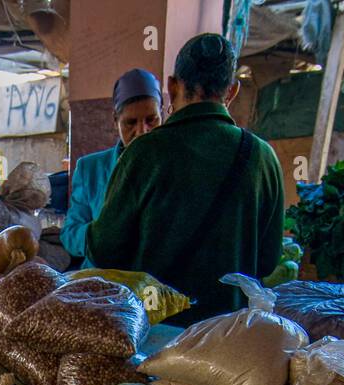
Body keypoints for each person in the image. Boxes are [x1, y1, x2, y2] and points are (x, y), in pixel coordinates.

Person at [86, 34, 285, 319]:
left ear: (172, 85)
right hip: (230, 336)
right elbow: (267, 262)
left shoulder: (143, 152)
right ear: (232, 91)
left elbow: (104, 251)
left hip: (153, 330)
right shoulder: (262, 157)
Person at [61, 68, 163, 264]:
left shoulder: (172, 166)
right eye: (130, 123)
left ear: (164, 114)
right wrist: (100, 236)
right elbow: (70, 233)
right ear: (115, 120)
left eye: (151, 120)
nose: (142, 131)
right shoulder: (90, 169)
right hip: (101, 283)